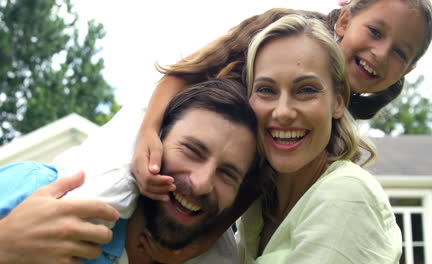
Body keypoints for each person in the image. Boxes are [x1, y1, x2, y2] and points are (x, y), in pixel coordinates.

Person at [131, 0, 432, 200]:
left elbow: (257, 183)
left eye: (399, 53)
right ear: (344, 20)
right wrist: (148, 131)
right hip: (159, 120)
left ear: (407, 70)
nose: (380, 53)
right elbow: (186, 71)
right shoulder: (283, 31)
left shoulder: (335, 121)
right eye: (374, 31)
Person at [0, 78, 259, 264]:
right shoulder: (33, 188)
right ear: (155, 142)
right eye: (192, 150)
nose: (201, 183)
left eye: (228, 174)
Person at [234, 14, 401, 263]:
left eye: (307, 90)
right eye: (266, 90)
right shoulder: (255, 205)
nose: (282, 112)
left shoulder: (347, 195)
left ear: (338, 101)